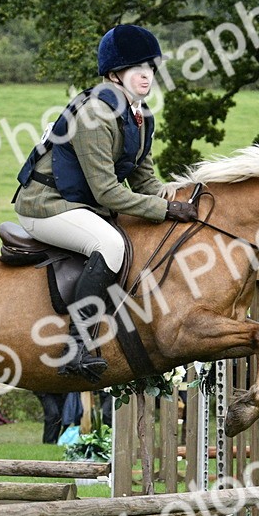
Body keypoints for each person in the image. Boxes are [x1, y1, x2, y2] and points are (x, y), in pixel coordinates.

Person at [14, 24, 199, 382]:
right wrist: (165, 210)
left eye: (150, 67)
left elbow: (145, 182)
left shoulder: (141, 117)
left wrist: (181, 201)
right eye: (136, 68)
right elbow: (107, 193)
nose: (146, 75)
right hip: (45, 205)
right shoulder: (95, 115)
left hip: (81, 205)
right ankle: (76, 347)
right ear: (115, 74)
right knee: (111, 243)